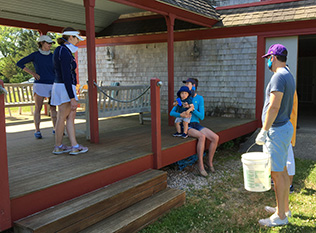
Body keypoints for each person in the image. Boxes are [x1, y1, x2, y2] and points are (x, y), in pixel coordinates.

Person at [256, 44, 295, 227]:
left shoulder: (279, 76)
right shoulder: (288, 73)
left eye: (268, 58)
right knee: (284, 171)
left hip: (276, 130)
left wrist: (264, 130)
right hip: (284, 127)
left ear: (274, 56)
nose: (267, 62)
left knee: (277, 174)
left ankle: (280, 217)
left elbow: (274, 106)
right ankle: (284, 208)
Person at [170, 78, 219, 177]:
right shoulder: (181, 98)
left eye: (188, 83)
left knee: (215, 137)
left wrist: (192, 109)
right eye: (186, 84)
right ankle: (201, 166)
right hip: (186, 125)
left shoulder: (199, 98)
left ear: (194, 86)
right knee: (201, 136)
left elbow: (201, 116)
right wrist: (181, 115)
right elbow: (172, 112)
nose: (186, 85)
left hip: (196, 124)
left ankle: (209, 163)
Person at [51, 27, 88, 155]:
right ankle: (70, 146)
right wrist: (72, 97)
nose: (78, 41)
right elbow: (67, 75)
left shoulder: (60, 50)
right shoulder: (65, 52)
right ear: (70, 37)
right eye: (76, 38)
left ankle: (65, 145)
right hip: (65, 87)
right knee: (66, 117)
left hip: (60, 86)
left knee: (65, 117)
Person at [17, 35, 57, 139]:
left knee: (53, 108)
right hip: (39, 85)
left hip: (52, 84)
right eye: (48, 43)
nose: (50, 45)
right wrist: (32, 73)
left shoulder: (53, 56)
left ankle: (56, 129)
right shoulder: (35, 55)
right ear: (42, 43)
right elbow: (19, 63)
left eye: (50, 43)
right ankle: (37, 130)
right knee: (38, 108)